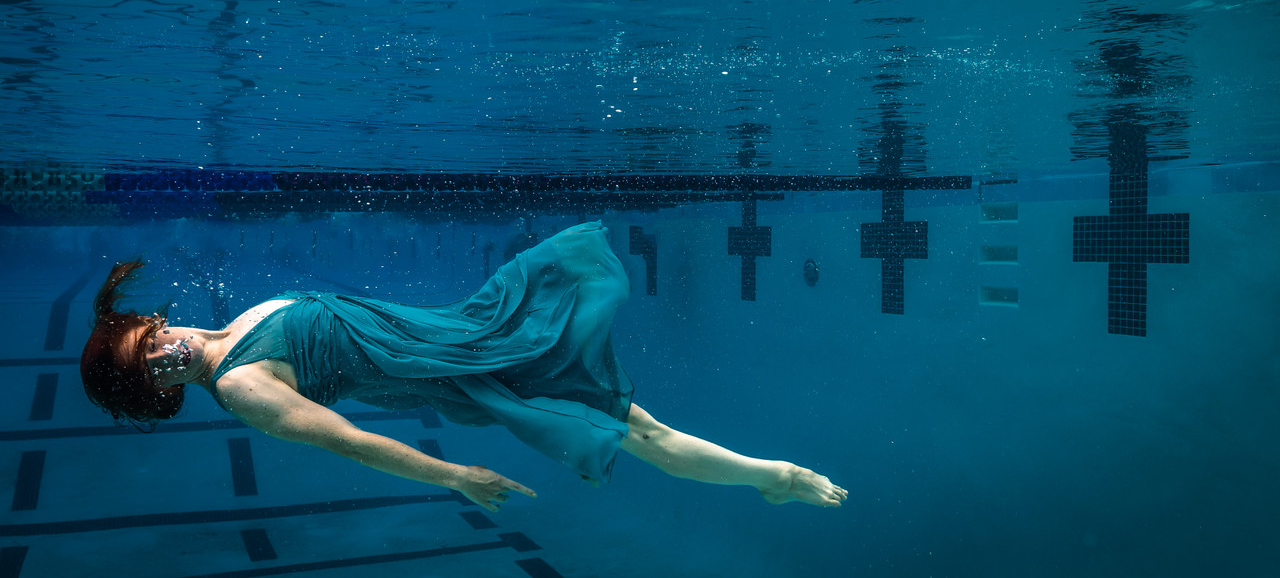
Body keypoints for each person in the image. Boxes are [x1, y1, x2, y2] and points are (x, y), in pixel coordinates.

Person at [80, 222, 846, 511]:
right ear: (155, 389)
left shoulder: (235, 324)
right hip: (464, 370)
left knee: (633, 422)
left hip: (465, 334)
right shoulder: (244, 388)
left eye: (148, 335)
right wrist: (455, 477)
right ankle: (769, 477)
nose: (161, 346)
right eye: (149, 361)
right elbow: (348, 440)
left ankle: (761, 478)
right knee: (631, 431)